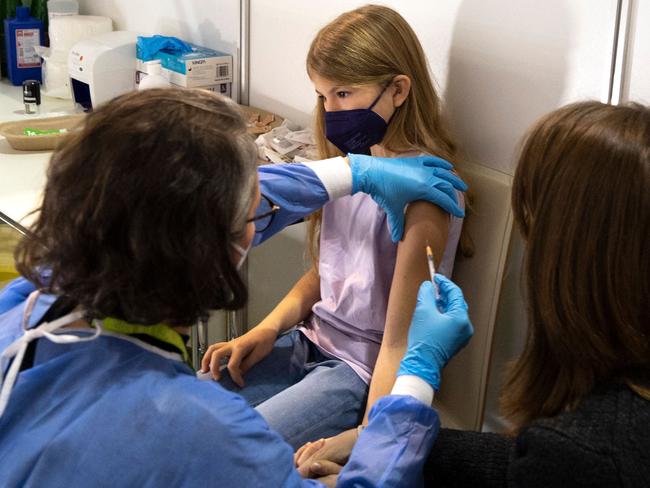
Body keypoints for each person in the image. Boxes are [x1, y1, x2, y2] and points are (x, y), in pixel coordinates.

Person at [0, 88, 474, 487]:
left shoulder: (28, 305)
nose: (262, 214)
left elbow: (183, 204)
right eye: (252, 214)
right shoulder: (205, 437)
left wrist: (354, 172)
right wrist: (416, 378)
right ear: (214, 248)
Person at [296, 101, 650, 486]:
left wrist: (378, 455)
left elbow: (553, 461)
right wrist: (375, 440)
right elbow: (521, 461)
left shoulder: (590, 453)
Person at [201, 4, 467, 449]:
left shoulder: (428, 193)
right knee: (186, 410)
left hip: (358, 371)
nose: (329, 110)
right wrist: (265, 331)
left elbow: (400, 341)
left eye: (343, 93)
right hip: (308, 341)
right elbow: (327, 273)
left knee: (227, 450)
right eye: (323, 96)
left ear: (398, 89)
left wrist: (367, 437)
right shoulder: (349, 168)